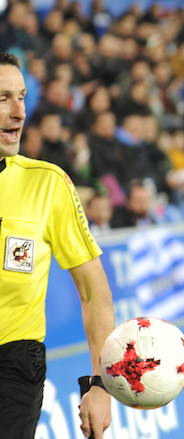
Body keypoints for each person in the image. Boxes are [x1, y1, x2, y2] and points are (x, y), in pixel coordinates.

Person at [0, 51, 114, 438]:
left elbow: (93, 291)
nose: (19, 112)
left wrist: (101, 384)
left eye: (22, 96)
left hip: (12, 365)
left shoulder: (47, 185)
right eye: (3, 99)